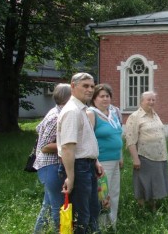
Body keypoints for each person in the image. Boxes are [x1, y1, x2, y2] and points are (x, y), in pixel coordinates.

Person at [57, 72, 103, 233]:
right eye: (85, 86)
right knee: (81, 215)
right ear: (73, 86)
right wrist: (70, 177)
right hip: (78, 167)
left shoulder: (82, 109)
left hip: (87, 166)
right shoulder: (72, 111)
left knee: (93, 211)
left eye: (92, 86)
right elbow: (68, 148)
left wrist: (95, 161)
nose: (90, 89)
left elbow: (85, 141)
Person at [33, 83, 71, 233]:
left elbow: (38, 128)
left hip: (52, 166)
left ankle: (38, 231)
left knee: (48, 204)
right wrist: (69, 144)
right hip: (51, 166)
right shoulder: (57, 116)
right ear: (69, 97)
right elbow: (44, 146)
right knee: (58, 207)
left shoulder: (57, 112)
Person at [125, 91, 168, 210]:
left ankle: (153, 207)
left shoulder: (155, 115)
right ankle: (142, 210)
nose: (151, 102)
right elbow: (130, 140)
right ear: (141, 101)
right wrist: (135, 159)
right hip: (144, 156)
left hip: (159, 156)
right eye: (148, 100)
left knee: (155, 183)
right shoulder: (135, 117)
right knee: (143, 183)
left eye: (153, 100)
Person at [87, 84, 123, 230]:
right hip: (101, 161)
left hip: (115, 159)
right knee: (102, 194)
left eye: (107, 96)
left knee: (114, 192)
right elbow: (88, 139)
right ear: (94, 98)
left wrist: (121, 156)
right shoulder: (91, 114)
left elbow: (117, 135)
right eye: (101, 96)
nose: (105, 99)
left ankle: (112, 224)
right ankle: (100, 226)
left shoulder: (113, 113)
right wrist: (95, 160)